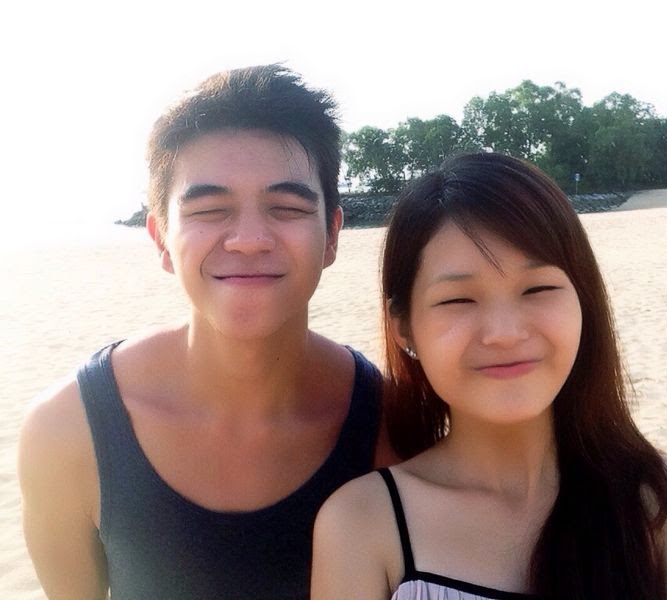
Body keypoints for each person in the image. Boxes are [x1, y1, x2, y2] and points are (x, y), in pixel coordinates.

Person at [18, 64, 394, 600]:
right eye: (210, 209)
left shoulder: (391, 424)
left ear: (332, 235)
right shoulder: (67, 432)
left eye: (286, 208)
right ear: (161, 239)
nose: (248, 239)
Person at [311, 152, 667, 599]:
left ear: (584, 302)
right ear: (403, 327)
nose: (505, 333)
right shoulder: (363, 524)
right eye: (458, 300)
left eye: (538, 289)